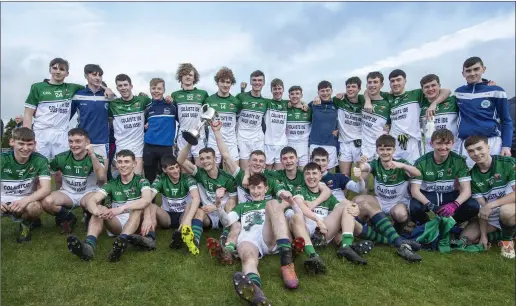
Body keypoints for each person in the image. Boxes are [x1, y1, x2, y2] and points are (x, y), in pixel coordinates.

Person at [217, 173, 299, 306]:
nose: (256, 191)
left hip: (269, 236)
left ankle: (287, 261)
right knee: (248, 257)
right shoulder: (242, 206)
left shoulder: (273, 203)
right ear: (249, 189)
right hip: (249, 239)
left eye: (259, 188)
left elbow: (294, 216)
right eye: (253, 188)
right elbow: (227, 222)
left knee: (272, 203)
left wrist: (292, 203)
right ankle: (256, 293)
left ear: (266, 189)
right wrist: (219, 206)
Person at [66, 149, 153, 262]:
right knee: (100, 208)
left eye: (126, 162)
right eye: (120, 162)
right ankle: (88, 246)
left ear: (134, 164)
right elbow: (92, 200)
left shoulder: (142, 181)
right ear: (116, 164)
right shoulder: (112, 183)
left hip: (136, 223)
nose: (123, 165)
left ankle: (122, 241)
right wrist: (96, 211)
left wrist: (121, 208)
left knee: (137, 209)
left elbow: (146, 200)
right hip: (117, 223)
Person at [291, 162, 373, 266]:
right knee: (296, 217)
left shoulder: (327, 196)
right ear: (303, 176)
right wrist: (318, 221)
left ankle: (346, 246)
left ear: (321, 175)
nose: (311, 177)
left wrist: (354, 208)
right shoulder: (299, 189)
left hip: (323, 233)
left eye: (314, 173)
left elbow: (343, 210)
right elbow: (302, 208)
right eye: (307, 173)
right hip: (305, 231)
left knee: (346, 204)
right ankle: (313, 255)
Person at [364, 69, 451, 164]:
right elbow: (367, 92)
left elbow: (446, 91)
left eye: (398, 80)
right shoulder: (388, 97)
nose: (395, 83)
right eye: (392, 81)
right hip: (395, 143)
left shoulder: (415, 94)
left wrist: (434, 103)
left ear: (405, 81)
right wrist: (367, 101)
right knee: (395, 172)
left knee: (414, 172)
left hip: (412, 143)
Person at [127, 154, 201, 254]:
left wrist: (188, 219)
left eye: (177, 167)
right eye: (171, 168)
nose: (176, 171)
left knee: (191, 204)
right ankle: (150, 238)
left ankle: (180, 234)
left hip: (183, 215)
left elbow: (196, 198)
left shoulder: (187, 178)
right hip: (167, 217)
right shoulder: (160, 179)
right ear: (164, 170)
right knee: (152, 206)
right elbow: (147, 199)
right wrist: (147, 217)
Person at [459, 136, 515, 259]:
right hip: (491, 214)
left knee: (506, 211)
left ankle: (507, 241)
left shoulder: (507, 162)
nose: (476, 154)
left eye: (479, 148)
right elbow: (483, 208)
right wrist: (483, 235)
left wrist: (492, 204)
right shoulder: (472, 175)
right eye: (471, 151)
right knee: (467, 237)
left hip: (510, 207)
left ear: (488, 148)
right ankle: (503, 234)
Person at [41, 128, 106, 234]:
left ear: (87, 142)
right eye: (70, 141)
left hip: (88, 193)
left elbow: (101, 178)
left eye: (78, 141)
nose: (73, 145)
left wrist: (92, 156)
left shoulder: (96, 157)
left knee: (96, 200)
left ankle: (88, 214)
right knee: (46, 202)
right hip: (68, 194)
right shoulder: (61, 157)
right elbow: (47, 174)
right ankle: (68, 217)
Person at [409, 129, 480, 226]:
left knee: (473, 206)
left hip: (450, 195)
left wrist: (454, 204)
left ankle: (452, 224)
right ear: (431, 143)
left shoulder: (459, 161)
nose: (443, 147)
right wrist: (431, 206)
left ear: (452, 143)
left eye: (447, 143)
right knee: (414, 206)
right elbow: (415, 191)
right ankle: (426, 225)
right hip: (430, 195)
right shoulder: (421, 162)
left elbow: (467, 190)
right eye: (439, 143)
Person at [176, 140, 237, 250]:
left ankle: (225, 234)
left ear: (215, 159)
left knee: (230, 205)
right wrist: (190, 143)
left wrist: (216, 207)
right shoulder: (199, 173)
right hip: (207, 216)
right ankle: (194, 241)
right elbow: (180, 160)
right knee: (198, 211)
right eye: (202, 159)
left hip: (222, 215)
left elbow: (233, 200)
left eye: (208, 158)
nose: (205, 161)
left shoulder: (227, 178)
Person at [454, 56, 513, 167]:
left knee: (496, 180)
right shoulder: (458, 93)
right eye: (468, 70)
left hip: (491, 142)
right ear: (463, 73)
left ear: (483, 69)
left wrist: (507, 146)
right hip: (467, 144)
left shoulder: (497, 91)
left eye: (476, 69)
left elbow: (506, 120)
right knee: (467, 180)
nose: (472, 73)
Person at [354, 134, 420, 230]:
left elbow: (417, 173)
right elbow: (363, 168)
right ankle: (363, 225)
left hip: (398, 202)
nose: (385, 152)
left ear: (394, 150)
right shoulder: (376, 164)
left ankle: (401, 225)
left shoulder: (400, 163)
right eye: (381, 149)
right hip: (380, 201)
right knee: (357, 200)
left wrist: (403, 166)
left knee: (400, 214)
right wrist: (360, 163)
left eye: (388, 149)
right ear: (377, 150)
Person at [23, 58, 86, 160]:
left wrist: (105, 89)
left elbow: (91, 87)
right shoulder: (37, 87)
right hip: (40, 133)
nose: (57, 71)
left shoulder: (72, 88)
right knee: (38, 167)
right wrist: (27, 139)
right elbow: (28, 114)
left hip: (61, 134)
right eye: (54, 68)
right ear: (50, 70)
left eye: (61, 69)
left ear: (67, 73)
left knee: (60, 170)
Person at [0, 128, 51, 242]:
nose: (26, 148)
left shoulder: (40, 160)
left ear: (35, 144)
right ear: (12, 142)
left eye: (29, 144)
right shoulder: (2, 159)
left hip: (24, 199)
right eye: (21, 144)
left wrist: (26, 200)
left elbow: (46, 188)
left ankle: (26, 225)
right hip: (2, 200)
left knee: (35, 207)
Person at [70, 64, 113, 170]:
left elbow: (116, 115)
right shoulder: (78, 95)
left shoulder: (108, 96)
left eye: (100, 75)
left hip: (102, 141)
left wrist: (108, 90)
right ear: (86, 76)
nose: (98, 78)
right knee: (83, 174)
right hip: (83, 142)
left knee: (102, 177)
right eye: (94, 75)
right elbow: (66, 116)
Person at [109, 74, 152, 175]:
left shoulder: (143, 100)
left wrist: (150, 121)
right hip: (121, 147)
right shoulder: (113, 104)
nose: (123, 88)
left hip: (138, 148)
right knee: (122, 180)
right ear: (117, 88)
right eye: (120, 86)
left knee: (136, 179)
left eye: (125, 85)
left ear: (131, 86)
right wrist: (105, 89)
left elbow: (157, 108)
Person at [171, 63, 209, 166]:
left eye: (190, 75)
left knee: (200, 168)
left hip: (199, 136)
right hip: (182, 135)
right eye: (185, 74)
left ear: (194, 78)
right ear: (181, 77)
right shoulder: (175, 95)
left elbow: (207, 113)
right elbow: (175, 116)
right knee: (184, 168)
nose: (188, 77)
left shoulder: (203, 94)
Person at [204, 67, 241, 168]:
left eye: (228, 82)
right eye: (222, 82)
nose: (225, 85)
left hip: (230, 142)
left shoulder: (236, 102)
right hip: (213, 141)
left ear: (231, 84)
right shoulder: (209, 100)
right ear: (217, 82)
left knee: (234, 174)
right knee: (212, 173)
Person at [143, 78, 177, 183]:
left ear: (164, 90)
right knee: (150, 177)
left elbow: (183, 121)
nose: (156, 91)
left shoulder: (172, 106)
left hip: (166, 147)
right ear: (150, 89)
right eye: (153, 88)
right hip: (149, 147)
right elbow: (143, 125)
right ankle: (150, 199)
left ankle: (167, 198)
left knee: (167, 177)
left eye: (159, 88)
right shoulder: (147, 107)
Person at [236, 70, 269, 170]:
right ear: (250, 82)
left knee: (258, 169)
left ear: (263, 83)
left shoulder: (265, 102)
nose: (257, 82)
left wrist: (303, 103)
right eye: (254, 80)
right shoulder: (241, 97)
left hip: (257, 139)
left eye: (260, 80)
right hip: (242, 138)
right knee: (244, 170)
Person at [419, 74, 459, 154]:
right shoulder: (420, 106)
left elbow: (447, 90)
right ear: (422, 90)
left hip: (453, 151)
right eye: (426, 87)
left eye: (433, 85)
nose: (430, 89)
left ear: (439, 86)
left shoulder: (452, 101)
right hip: (430, 153)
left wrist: (435, 103)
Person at [335, 77, 365, 176]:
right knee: (344, 175)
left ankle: (363, 192)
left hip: (360, 143)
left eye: (353, 86)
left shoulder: (363, 101)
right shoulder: (339, 100)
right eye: (348, 87)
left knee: (361, 175)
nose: (350, 89)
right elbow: (323, 100)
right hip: (344, 143)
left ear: (359, 89)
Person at [308, 81, 339, 171]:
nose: (325, 93)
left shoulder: (336, 104)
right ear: (318, 93)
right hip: (315, 143)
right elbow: (302, 105)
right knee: (314, 172)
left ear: (331, 91)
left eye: (327, 90)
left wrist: (339, 130)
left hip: (331, 143)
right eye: (322, 91)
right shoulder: (313, 104)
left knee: (330, 176)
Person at [361, 72, 391, 163]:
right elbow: (349, 95)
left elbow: (390, 124)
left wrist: (386, 131)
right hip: (365, 147)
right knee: (362, 176)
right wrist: (367, 100)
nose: (372, 85)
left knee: (381, 176)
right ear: (366, 85)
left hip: (381, 147)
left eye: (375, 82)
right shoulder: (361, 100)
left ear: (381, 85)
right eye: (370, 82)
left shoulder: (387, 104)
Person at [264, 78, 289, 170]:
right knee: (267, 173)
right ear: (271, 90)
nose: (277, 91)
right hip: (268, 143)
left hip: (282, 143)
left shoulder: (287, 104)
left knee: (279, 173)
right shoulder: (267, 102)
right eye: (275, 89)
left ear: (283, 89)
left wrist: (304, 104)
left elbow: (299, 102)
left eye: (279, 89)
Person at [286, 86, 312, 169]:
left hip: (303, 145)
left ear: (301, 95)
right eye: (292, 94)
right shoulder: (285, 107)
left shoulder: (308, 110)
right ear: (289, 96)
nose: (294, 96)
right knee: (290, 172)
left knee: (303, 173)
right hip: (289, 144)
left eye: (297, 93)